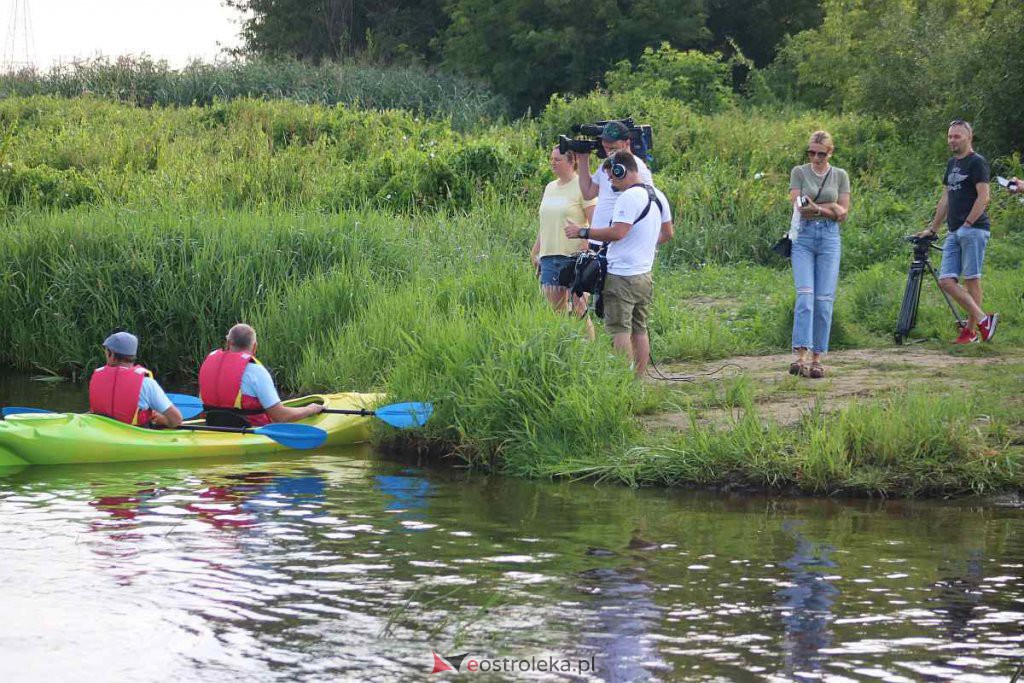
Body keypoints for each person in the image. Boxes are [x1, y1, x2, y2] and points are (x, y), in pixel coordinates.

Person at [564, 150, 673, 375]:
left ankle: (623, 380)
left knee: (619, 330)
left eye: (612, 177)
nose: (611, 183)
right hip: (644, 275)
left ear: (620, 170)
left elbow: (618, 232)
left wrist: (582, 231)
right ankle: (638, 382)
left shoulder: (628, 197)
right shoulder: (658, 195)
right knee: (639, 330)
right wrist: (643, 246)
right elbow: (668, 233)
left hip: (621, 276)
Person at [916, 120, 998, 344]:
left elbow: (984, 196)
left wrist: (969, 224)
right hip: (954, 231)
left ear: (968, 137)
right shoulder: (952, 163)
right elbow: (946, 199)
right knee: (946, 280)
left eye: (957, 136)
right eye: (950, 136)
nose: (952, 140)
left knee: (972, 280)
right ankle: (983, 319)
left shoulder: (977, 162)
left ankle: (971, 332)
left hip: (974, 229)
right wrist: (933, 229)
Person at [787, 130, 851, 379]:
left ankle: (817, 358)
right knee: (805, 295)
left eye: (821, 154)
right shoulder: (799, 172)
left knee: (824, 300)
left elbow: (844, 213)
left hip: (829, 238)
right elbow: (799, 206)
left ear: (830, 152)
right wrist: (830, 208)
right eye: (811, 152)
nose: (815, 157)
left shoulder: (840, 176)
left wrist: (819, 209)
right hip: (803, 237)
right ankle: (799, 356)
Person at [198, 324, 324, 426]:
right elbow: (281, 417)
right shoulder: (256, 371)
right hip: (249, 431)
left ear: (228, 344)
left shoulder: (210, 362)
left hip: (213, 427)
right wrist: (310, 410)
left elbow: (203, 411)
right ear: (254, 347)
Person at [530, 146, 597, 328]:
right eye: (551, 159)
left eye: (557, 160)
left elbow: (594, 222)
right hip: (550, 256)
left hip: (574, 256)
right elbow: (545, 223)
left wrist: (587, 243)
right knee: (556, 311)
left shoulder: (582, 186)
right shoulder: (550, 187)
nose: (553, 163)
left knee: (579, 307)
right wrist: (536, 251)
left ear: (571, 161)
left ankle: (588, 350)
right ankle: (565, 350)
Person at [576, 121, 653, 240]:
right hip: (598, 237)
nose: (608, 152)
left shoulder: (637, 167)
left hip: (618, 238)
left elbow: (648, 203)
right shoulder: (607, 164)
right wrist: (583, 159)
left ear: (626, 143)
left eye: (613, 148)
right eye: (605, 147)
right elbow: (588, 193)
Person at [88, 331, 183, 428]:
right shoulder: (146, 383)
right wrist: (164, 420)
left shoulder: (96, 376)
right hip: (134, 436)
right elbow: (176, 420)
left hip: (100, 434)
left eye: (106, 350)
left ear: (111, 355)